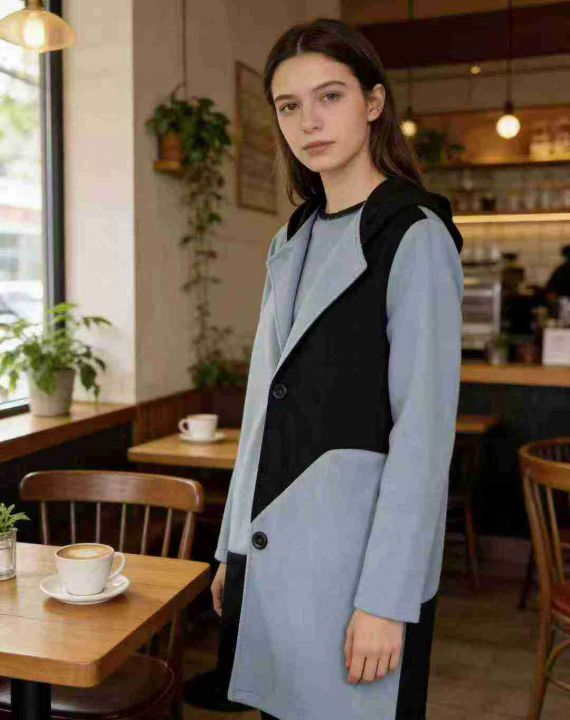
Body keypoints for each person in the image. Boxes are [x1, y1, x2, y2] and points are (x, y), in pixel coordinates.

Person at [210, 17, 463, 720]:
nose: (308, 122)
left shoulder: (414, 235)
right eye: (288, 105)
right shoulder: (290, 238)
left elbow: (423, 436)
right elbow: (261, 407)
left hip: (356, 570)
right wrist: (233, 549)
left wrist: (388, 599)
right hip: (274, 550)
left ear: (373, 102)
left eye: (330, 96)